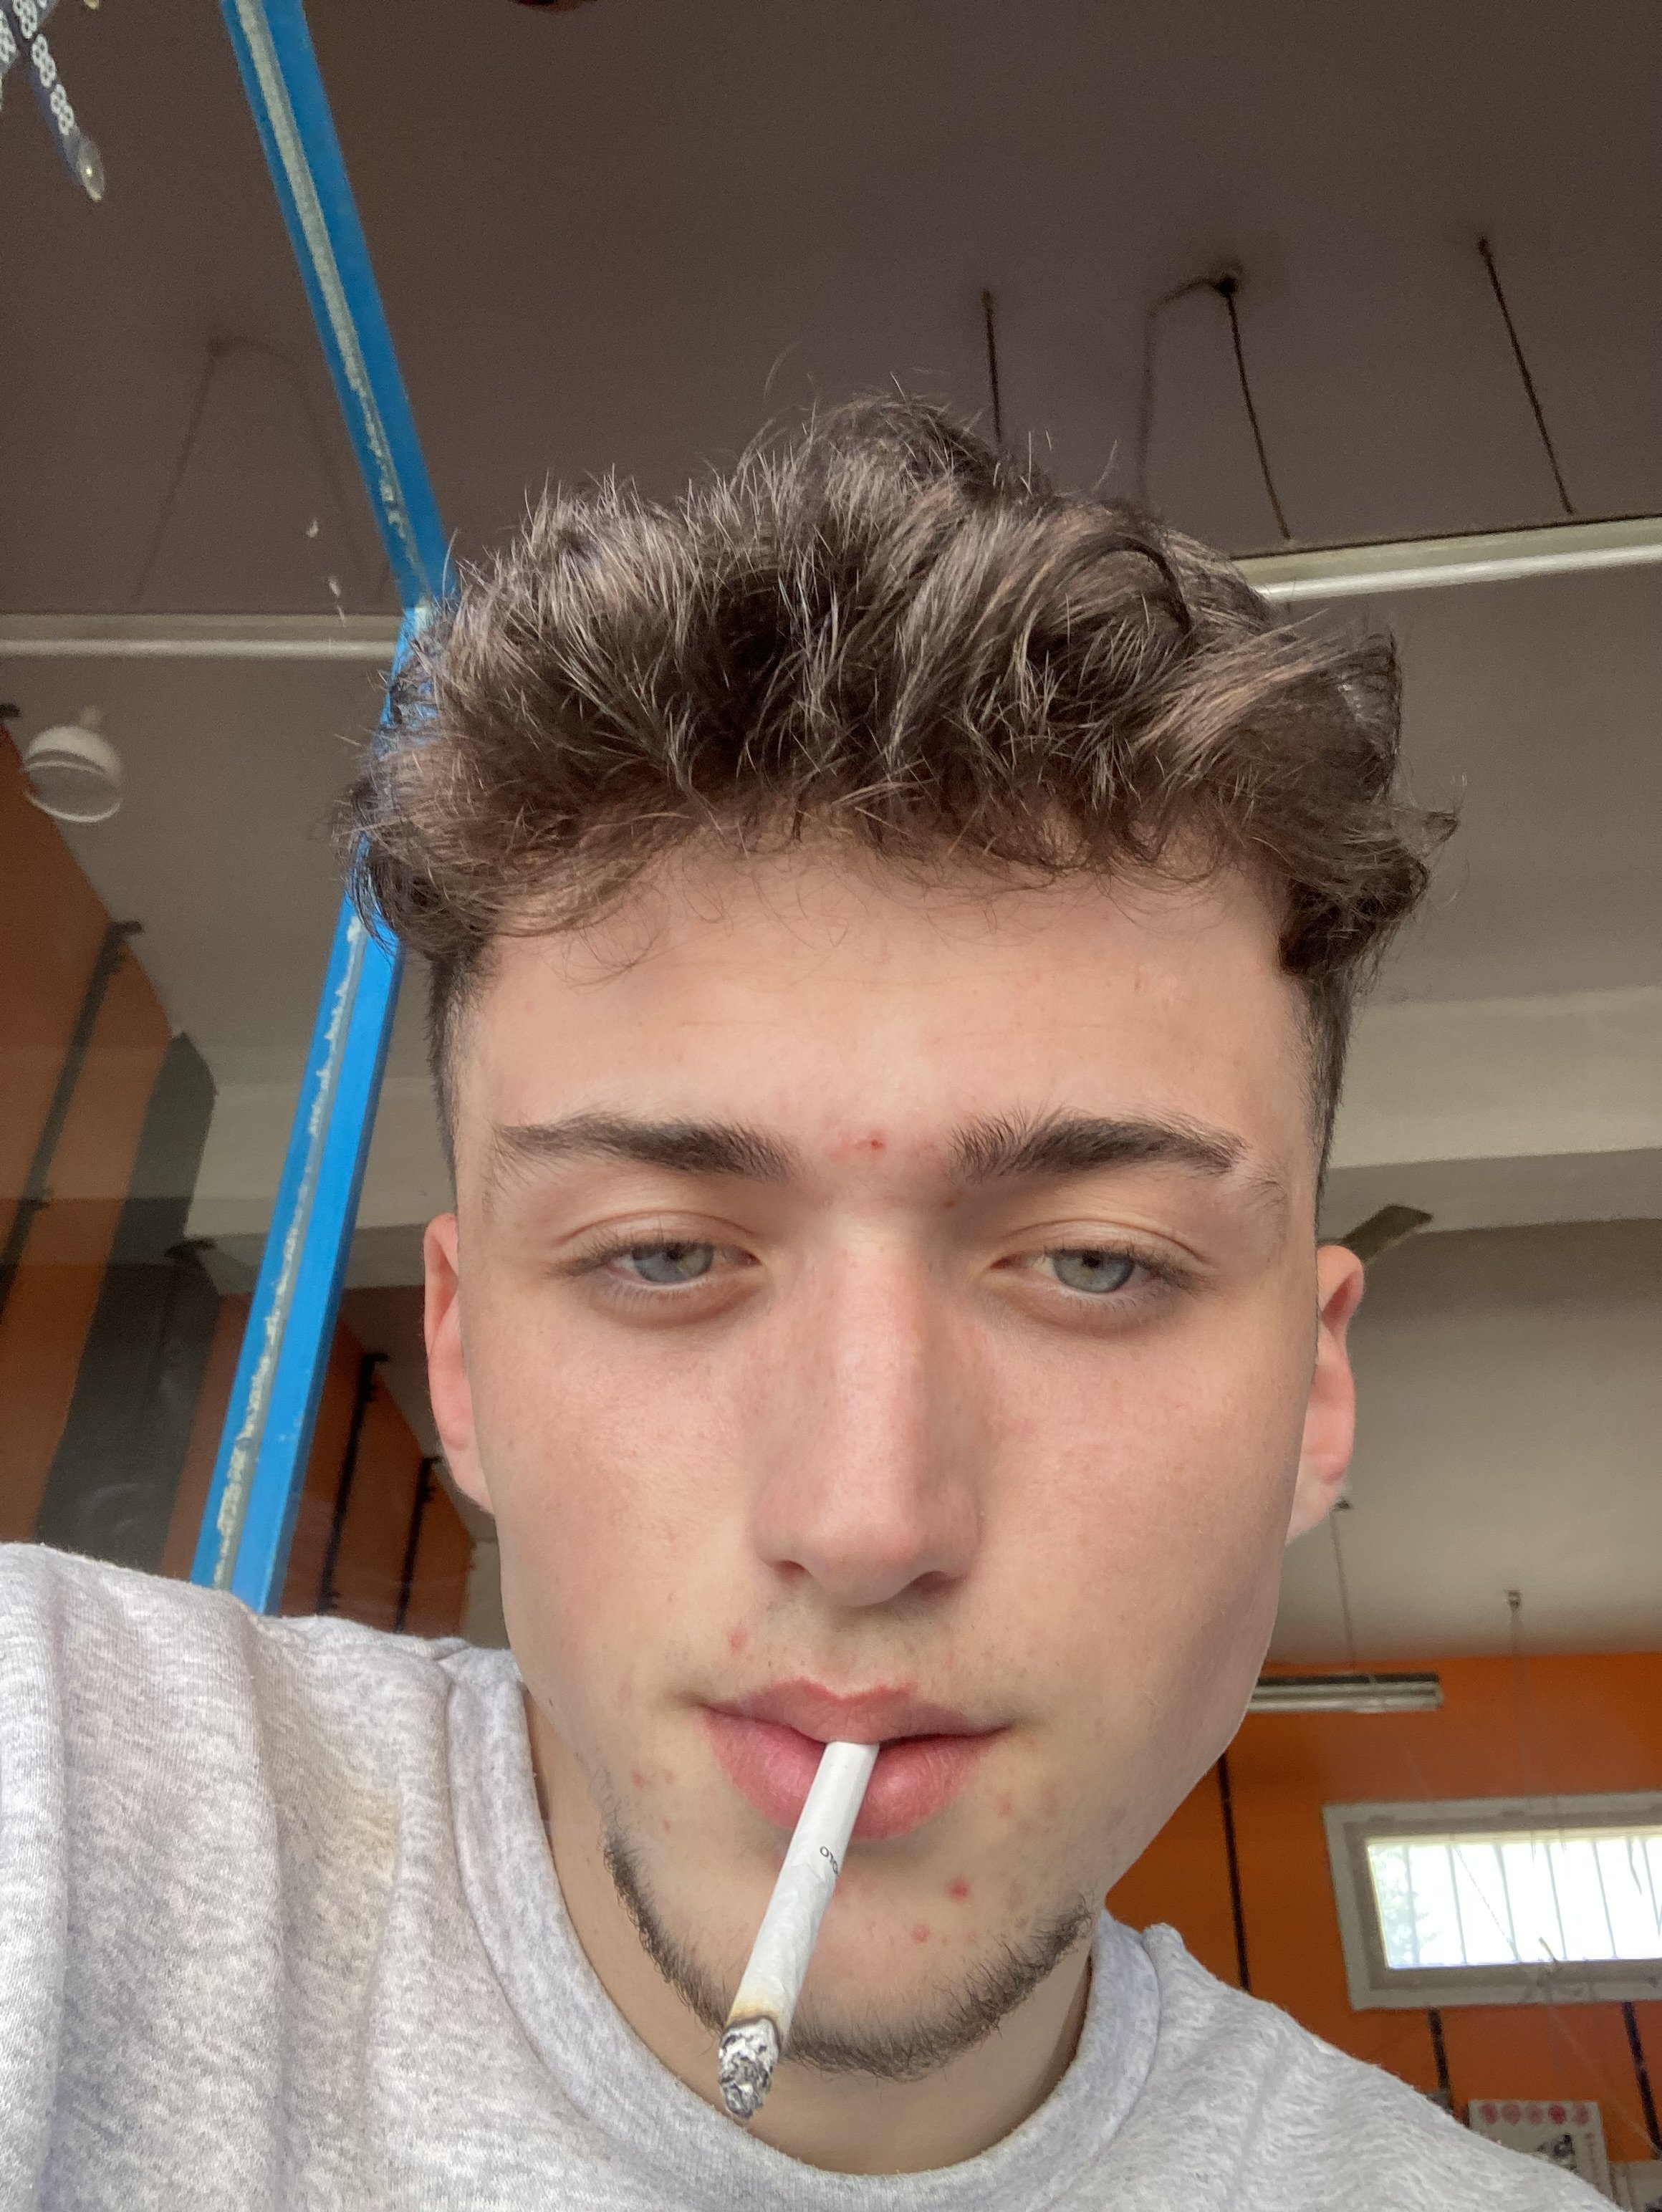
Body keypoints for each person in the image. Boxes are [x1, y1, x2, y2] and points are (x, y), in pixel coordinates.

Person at [0, 401, 1601, 2208]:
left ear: (1313, 1391)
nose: (862, 1524)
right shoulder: (63, 1797)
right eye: (663, 1252)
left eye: (1094, 1259)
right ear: (459, 1357)